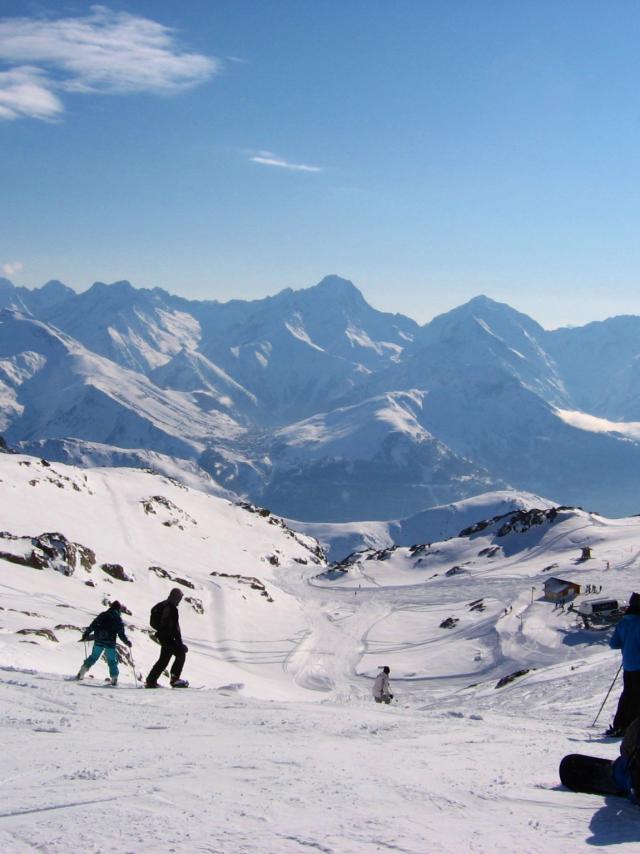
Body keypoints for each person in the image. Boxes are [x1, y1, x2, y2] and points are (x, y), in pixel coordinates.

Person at [607, 592, 640, 736]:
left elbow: (614, 643)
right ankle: (633, 730)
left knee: (628, 695)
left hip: (628, 665)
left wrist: (627, 644)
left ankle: (620, 724)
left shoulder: (624, 621)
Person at [76, 601, 132, 686]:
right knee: (111, 661)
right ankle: (114, 678)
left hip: (99, 640)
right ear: (118, 609)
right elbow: (121, 634)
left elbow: (93, 625)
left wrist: (86, 634)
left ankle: (82, 672)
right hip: (110, 643)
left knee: (93, 657)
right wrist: (127, 642)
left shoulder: (103, 615)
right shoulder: (117, 618)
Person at [146, 588, 189, 688]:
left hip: (163, 637)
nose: (179, 601)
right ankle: (174, 679)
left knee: (164, 659)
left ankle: (151, 680)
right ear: (176, 597)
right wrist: (179, 643)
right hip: (169, 638)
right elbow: (174, 628)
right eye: (179, 598)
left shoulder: (163, 604)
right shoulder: (171, 608)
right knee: (180, 654)